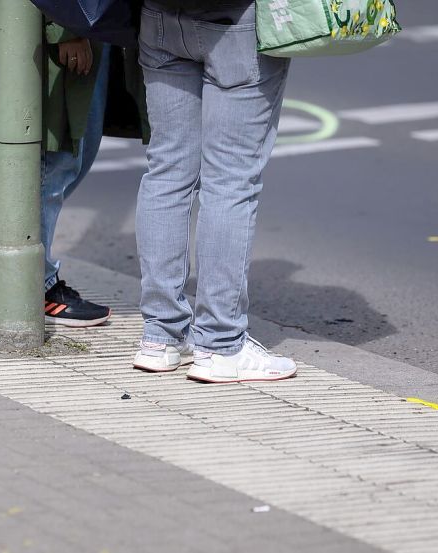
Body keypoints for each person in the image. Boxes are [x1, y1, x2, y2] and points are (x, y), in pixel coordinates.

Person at [131, 0, 298, 382]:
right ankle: (221, 344)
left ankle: (161, 337)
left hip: (160, 15)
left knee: (167, 171)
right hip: (235, 19)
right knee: (231, 181)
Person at [0, 0, 148, 327]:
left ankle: (15, 274)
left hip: (84, 23)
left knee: (66, 158)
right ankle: (33, 282)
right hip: (60, 24)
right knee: (53, 162)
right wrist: (66, 28)